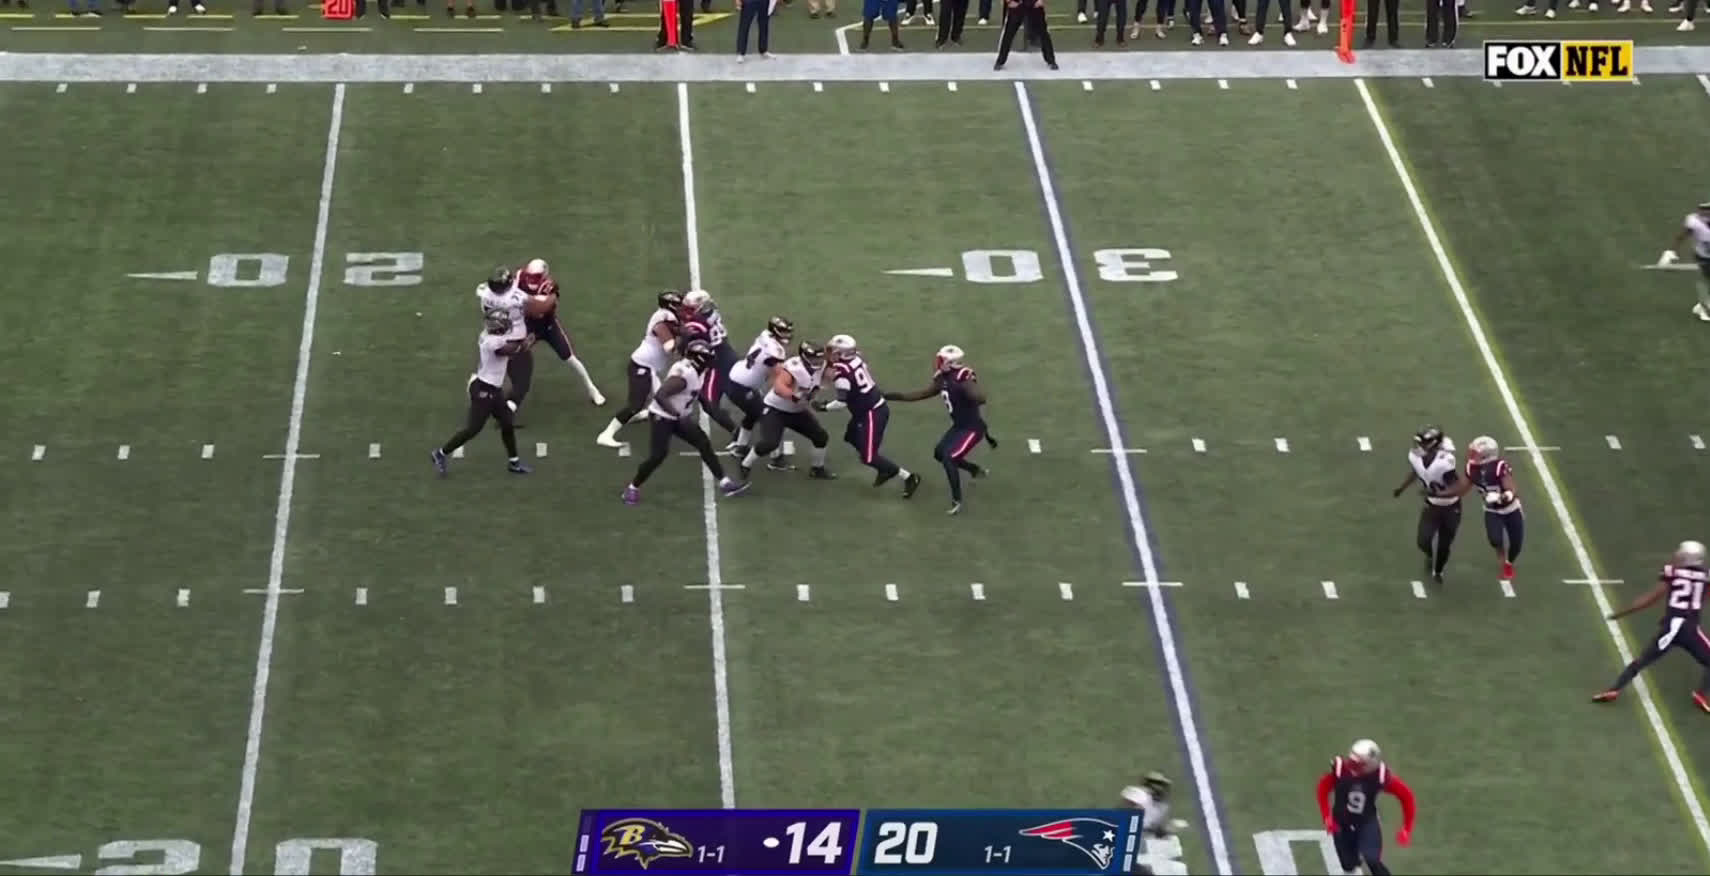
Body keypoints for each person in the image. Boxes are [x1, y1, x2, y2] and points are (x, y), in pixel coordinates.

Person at [621, 340, 751, 504]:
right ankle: (632, 488)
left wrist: (718, 415)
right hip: (663, 417)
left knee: (703, 442)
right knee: (658, 456)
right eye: (708, 358)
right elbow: (661, 395)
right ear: (699, 359)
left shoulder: (697, 371)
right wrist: (676, 414)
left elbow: (699, 396)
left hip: (679, 417)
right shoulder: (684, 375)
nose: (711, 362)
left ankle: (725, 483)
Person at [1594, 541, 1710, 712]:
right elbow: (1703, 597)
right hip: (1690, 629)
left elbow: (1651, 598)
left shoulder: (1673, 572)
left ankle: (1614, 689)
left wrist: (1623, 612)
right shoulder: (1706, 575)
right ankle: (1701, 694)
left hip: (1672, 627)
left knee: (1643, 660)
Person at [884, 345, 996, 516]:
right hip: (959, 426)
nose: (937, 362)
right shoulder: (943, 378)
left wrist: (970, 391)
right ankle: (975, 470)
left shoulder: (963, 377)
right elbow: (922, 394)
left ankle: (957, 500)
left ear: (949, 362)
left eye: (940, 359)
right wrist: (890, 396)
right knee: (939, 453)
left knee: (949, 458)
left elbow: (981, 397)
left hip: (973, 428)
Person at [431, 310, 532, 477]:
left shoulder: (489, 336)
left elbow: (511, 347)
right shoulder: (493, 342)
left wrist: (522, 345)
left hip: (493, 389)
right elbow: (507, 350)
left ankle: (514, 462)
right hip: (484, 391)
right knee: (473, 429)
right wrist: (524, 344)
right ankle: (440, 454)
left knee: (507, 422)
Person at [1315, 740, 1415, 876]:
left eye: (1358, 764)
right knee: (1348, 865)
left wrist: (1406, 828)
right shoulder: (1341, 771)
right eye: (1352, 762)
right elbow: (1323, 788)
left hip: (1366, 822)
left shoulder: (1379, 776)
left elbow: (1406, 797)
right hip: (1341, 822)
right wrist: (1326, 816)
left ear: (1371, 764)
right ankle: (1355, 857)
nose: (1352, 767)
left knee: (1372, 860)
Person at [1391, 426, 1461, 585]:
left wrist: (1437, 494)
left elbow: (1457, 488)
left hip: (1451, 507)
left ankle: (1438, 570)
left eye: (1422, 443)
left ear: (1433, 445)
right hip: (1432, 505)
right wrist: (1402, 488)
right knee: (1423, 540)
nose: (1418, 447)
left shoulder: (1445, 463)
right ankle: (1430, 554)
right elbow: (1417, 471)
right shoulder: (1416, 457)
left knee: (1444, 544)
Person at [1465, 436, 1524, 581]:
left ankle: (1509, 563)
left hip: (1511, 509)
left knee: (1516, 543)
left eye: (1476, 453)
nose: (1472, 455)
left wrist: (1503, 496)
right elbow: (1463, 486)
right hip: (1492, 510)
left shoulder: (1499, 466)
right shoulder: (1471, 468)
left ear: (1486, 455)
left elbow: (1512, 487)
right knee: (1495, 539)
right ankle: (1503, 563)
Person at [1660, 201, 1710, 320]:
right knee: (1703, 281)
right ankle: (1703, 309)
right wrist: (1669, 253)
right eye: (1705, 211)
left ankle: (1702, 306)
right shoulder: (1695, 223)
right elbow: (1681, 237)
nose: (1707, 213)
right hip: (1702, 256)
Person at [994, 0, 1056, 69]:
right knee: (1008, 34)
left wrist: (1042, 1)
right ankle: (1000, 61)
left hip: (1034, 4)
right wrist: (1009, 1)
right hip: (1017, 4)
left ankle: (1051, 60)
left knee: (1043, 33)